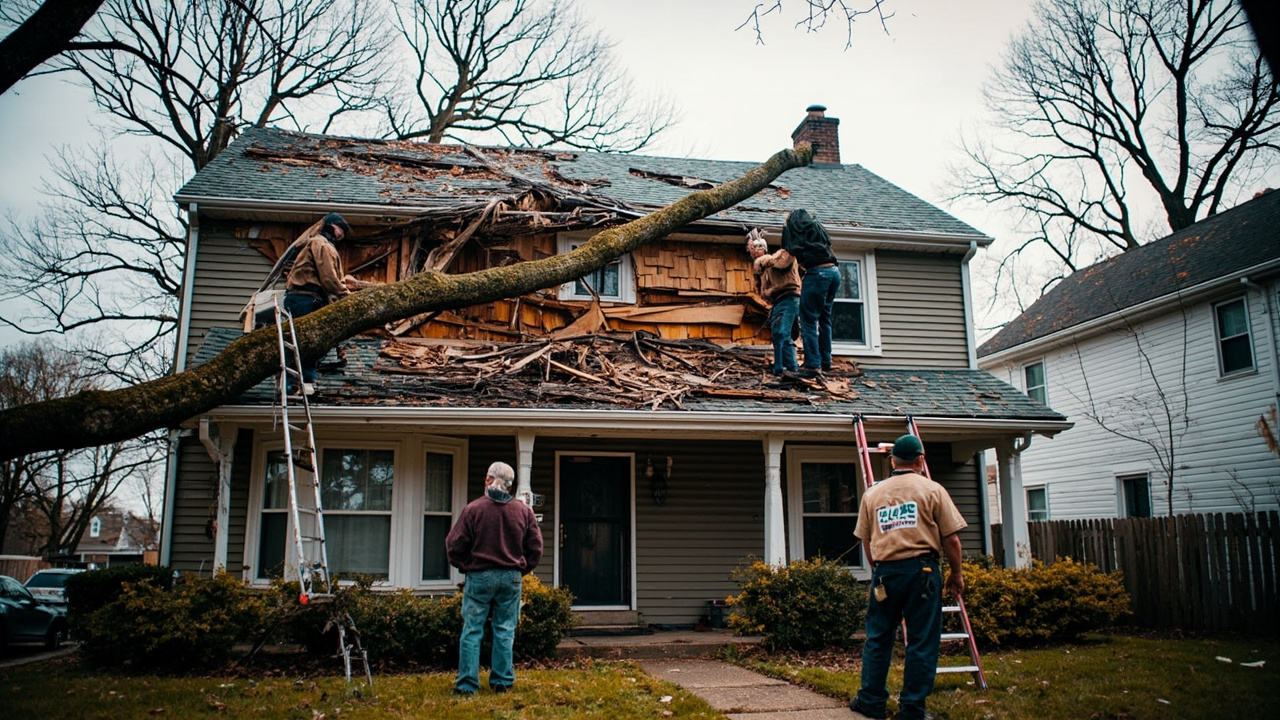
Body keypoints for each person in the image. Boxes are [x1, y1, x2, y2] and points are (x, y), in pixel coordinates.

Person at [849, 434, 967, 720]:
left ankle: (871, 702)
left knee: (878, 637)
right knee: (922, 640)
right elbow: (951, 540)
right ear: (919, 460)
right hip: (922, 573)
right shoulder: (932, 490)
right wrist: (956, 573)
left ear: (892, 461)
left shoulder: (872, 494)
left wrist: (878, 570)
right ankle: (912, 709)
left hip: (885, 572)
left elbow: (866, 540)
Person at [445, 461, 544, 697]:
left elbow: (454, 545)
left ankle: (467, 685)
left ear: (489, 480)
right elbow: (536, 549)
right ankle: (502, 682)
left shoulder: (473, 509)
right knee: (505, 630)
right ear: (510, 486)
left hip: (479, 576)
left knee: (472, 630)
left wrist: (465, 566)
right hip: (511, 577)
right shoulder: (523, 511)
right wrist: (520, 570)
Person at [282, 212, 354, 394]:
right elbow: (329, 278)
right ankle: (299, 383)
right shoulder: (320, 243)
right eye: (341, 229)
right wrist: (345, 295)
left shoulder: (321, 245)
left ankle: (302, 381)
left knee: (310, 341)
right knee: (308, 340)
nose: (342, 234)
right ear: (332, 227)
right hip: (305, 299)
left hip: (307, 298)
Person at [781, 208, 839, 374]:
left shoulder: (792, 230)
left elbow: (788, 253)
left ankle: (813, 363)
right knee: (824, 318)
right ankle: (826, 360)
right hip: (834, 272)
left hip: (817, 274)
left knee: (808, 319)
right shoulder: (817, 227)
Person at [746, 228, 801, 375]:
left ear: (761, 249)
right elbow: (763, 292)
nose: (751, 252)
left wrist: (761, 261)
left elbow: (783, 261)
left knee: (782, 333)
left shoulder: (780, 255)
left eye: (753, 248)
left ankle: (788, 369)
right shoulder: (763, 271)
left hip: (789, 297)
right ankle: (785, 368)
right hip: (778, 301)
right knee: (780, 334)